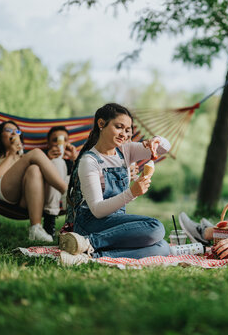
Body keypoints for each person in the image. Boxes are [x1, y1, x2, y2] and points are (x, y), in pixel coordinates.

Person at [58, 103, 171, 265]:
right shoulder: (89, 161)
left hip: (115, 222)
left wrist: (156, 140)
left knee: (162, 247)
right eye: (119, 127)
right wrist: (131, 193)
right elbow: (97, 210)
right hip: (91, 223)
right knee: (155, 227)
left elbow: (164, 149)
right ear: (101, 124)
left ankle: (90, 256)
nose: (124, 134)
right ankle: (89, 242)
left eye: (127, 130)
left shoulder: (125, 150)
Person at [0, 121, 68, 242]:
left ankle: (35, 229)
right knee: (36, 152)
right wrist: (11, 154)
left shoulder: (23, 158)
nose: (14, 133)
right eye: (9, 130)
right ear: (0, 136)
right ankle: (66, 192)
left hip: (22, 198)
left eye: (17, 131)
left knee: (34, 169)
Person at [42, 126, 78, 237]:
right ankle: (50, 220)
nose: (60, 143)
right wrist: (47, 160)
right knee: (57, 162)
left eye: (64, 139)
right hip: (46, 190)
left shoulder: (73, 159)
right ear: (48, 144)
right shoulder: (43, 156)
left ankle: (72, 224)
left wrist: (75, 160)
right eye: (55, 140)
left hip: (68, 192)